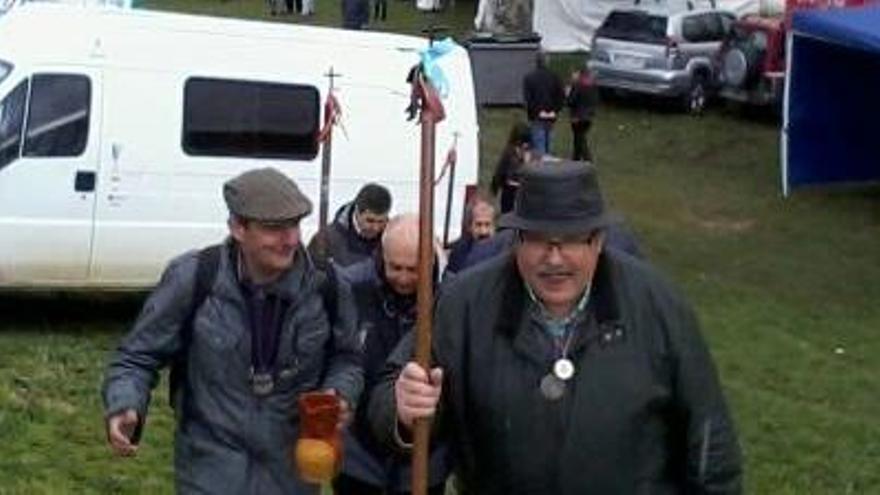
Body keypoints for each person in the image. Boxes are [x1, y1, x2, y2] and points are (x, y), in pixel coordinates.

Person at [369, 160, 743, 494]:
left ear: (597, 240)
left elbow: (710, 439)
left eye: (570, 242)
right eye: (538, 241)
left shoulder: (657, 305)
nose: (554, 259)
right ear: (515, 240)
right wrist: (402, 409)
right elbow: (390, 392)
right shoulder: (464, 304)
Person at [102, 167, 363, 494]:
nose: (292, 240)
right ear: (238, 227)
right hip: (209, 474)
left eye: (295, 225)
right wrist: (126, 403)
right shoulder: (194, 278)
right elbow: (137, 356)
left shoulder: (327, 286)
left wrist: (338, 393)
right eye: (274, 229)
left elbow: (348, 359)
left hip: (289, 479)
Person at [334, 214, 450, 495]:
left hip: (425, 457)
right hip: (359, 456)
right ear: (381, 255)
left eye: (414, 269)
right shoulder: (350, 288)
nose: (404, 278)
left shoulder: (452, 297)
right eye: (395, 267)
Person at [308, 183, 392, 270]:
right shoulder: (326, 240)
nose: (376, 228)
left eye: (381, 221)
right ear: (357, 212)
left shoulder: (393, 240)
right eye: (370, 221)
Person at [445, 195, 511, 276]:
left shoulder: (505, 253)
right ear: (469, 226)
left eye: (487, 224)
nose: (483, 231)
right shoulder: (459, 252)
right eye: (478, 225)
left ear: (495, 226)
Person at [522, 52, 565, 155]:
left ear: (536, 62)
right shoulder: (555, 77)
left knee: (538, 143)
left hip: (536, 115)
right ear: (548, 62)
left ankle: (541, 166)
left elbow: (528, 99)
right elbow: (561, 96)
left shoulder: (529, 78)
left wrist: (535, 111)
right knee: (549, 142)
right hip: (551, 115)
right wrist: (555, 110)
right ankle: (549, 163)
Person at [490, 121, 531, 214]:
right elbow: (501, 170)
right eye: (521, 143)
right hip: (510, 188)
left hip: (523, 188)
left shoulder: (529, 153)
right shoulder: (509, 152)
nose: (524, 145)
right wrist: (495, 187)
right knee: (507, 211)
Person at [566, 68, 599, 162]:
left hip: (577, 117)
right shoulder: (593, 86)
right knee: (578, 139)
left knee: (580, 140)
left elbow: (571, 101)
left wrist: (568, 92)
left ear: (580, 75)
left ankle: (588, 160)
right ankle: (575, 160)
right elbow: (596, 101)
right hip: (589, 117)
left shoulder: (577, 85)